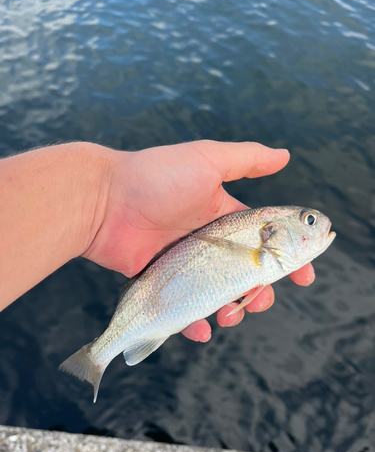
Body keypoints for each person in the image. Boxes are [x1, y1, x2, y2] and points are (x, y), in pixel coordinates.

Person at [0, 140, 315, 342]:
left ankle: (107, 350)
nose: (314, 226)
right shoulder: (259, 237)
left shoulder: (261, 244)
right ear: (270, 232)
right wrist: (104, 194)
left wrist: (102, 196)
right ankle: (101, 354)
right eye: (308, 221)